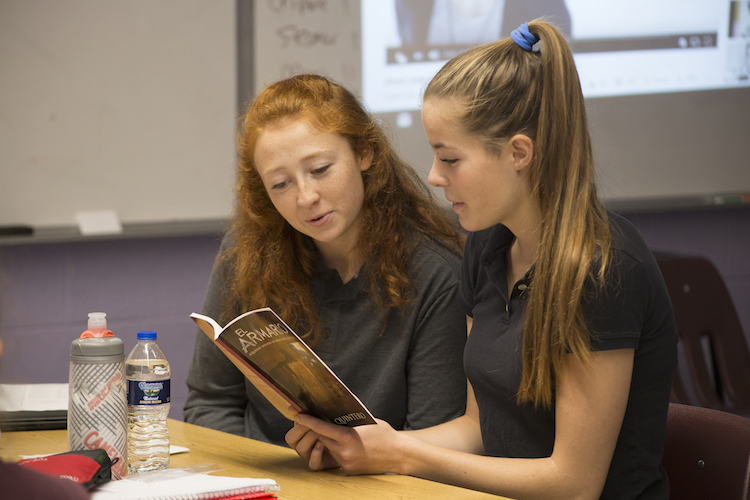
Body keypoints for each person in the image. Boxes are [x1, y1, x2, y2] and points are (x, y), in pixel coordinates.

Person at [286, 21, 678, 499]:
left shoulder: (602, 268)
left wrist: (405, 455)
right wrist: (366, 447)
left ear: (518, 153)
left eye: (449, 159)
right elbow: (477, 429)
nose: (433, 176)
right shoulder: (487, 246)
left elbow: (574, 484)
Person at [184, 74, 468, 446]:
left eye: (320, 170)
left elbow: (431, 439)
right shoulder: (245, 252)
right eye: (280, 184)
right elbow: (210, 403)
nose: (305, 197)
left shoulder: (436, 272)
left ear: (364, 153)